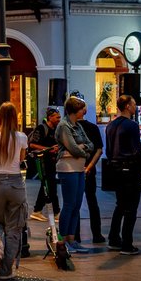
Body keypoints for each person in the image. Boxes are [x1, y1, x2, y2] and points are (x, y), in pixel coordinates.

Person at [0, 102, 29, 281]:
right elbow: (21, 159)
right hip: (16, 184)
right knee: (14, 228)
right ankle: (5, 270)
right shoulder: (21, 137)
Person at [54, 96, 94, 254]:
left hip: (78, 168)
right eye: (82, 108)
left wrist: (81, 148)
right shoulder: (64, 126)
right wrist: (84, 151)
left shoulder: (78, 125)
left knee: (77, 204)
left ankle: (72, 239)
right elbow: (73, 148)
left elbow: (90, 144)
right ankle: (63, 240)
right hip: (67, 168)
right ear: (74, 110)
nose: (84, 111)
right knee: (69, 204)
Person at [106, 95, 141, 255]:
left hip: (115, 168)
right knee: (131, 208)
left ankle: (114, 239)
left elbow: (108, 150)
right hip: (130, 169)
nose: (135, 107)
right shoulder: (131, 125)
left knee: (120, 205)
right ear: (127, 106)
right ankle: (127, 244)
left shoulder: (111, 125)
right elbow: (137, 150)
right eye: (134, 104)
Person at [28, 108, 62, 222]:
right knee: (50, 185)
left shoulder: (56, 129)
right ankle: (56, 212)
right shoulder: (41, 128)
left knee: (48, 185)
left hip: (52, 162)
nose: (59, 119)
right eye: (57, 117)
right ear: (50, 117)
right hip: (42, 162)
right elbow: (32, 144)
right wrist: (49, 149)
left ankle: (37, 210)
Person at [78, 115, 106, 244]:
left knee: (74, 204)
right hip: (89, 169)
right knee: (92, 202)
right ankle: (97, 234)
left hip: (74, 169)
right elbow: (99, 150)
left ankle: (75, 235)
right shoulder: (92, 127)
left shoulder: (68, 127)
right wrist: (89, 166)